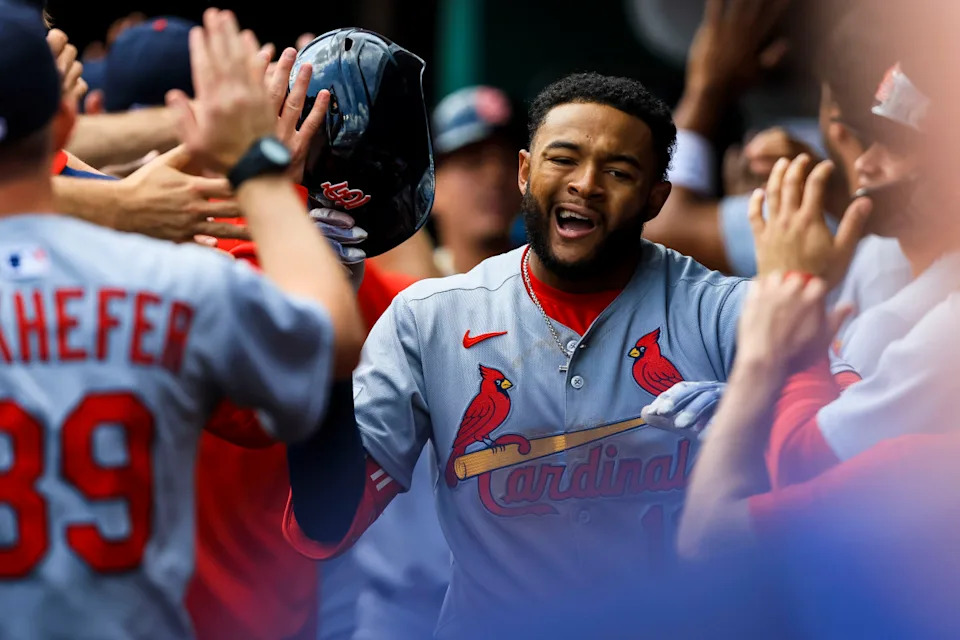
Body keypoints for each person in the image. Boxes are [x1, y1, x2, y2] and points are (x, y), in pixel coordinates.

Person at [285, 70, 751, 637]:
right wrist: (323, 325)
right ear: (526, 173)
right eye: (563, 160)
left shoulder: (728, 313)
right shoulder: (429, 316)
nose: (586, 184)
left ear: (657, 196)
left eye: (619, 171)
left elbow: (864, 459)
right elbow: (326, 521)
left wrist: (765, 411)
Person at [0, 6, 363, 638]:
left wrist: (121, 198)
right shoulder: (176, 283)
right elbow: (328, 340)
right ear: (66, 121)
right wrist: (260, 172)